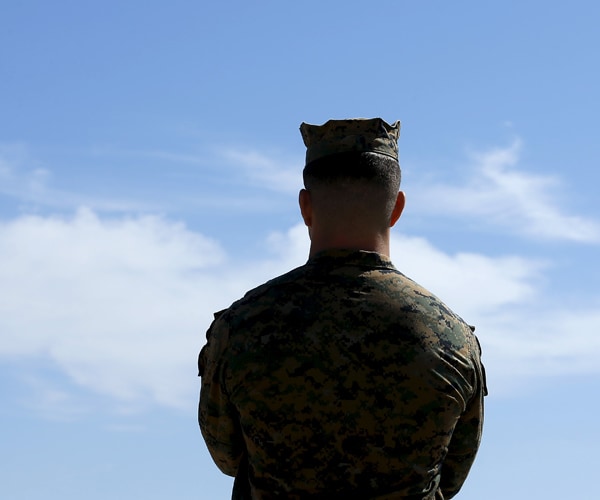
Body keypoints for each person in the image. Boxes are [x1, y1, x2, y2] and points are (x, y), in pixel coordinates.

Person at [198, 118, 487, 499]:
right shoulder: (452, 338)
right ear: (397, 208)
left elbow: (227, 455)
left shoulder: (241, 327)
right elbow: (451, 475)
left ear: (305, 207)